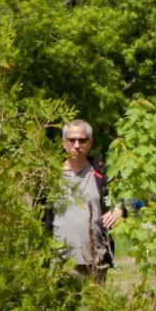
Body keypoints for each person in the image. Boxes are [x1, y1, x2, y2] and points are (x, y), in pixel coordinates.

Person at [49, 119, 127, 284]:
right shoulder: (50, 175)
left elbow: (138, 201)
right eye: (72, 140)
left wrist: (121, 209)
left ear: (90, 143)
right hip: (58, 262)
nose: (77, 145)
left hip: (95, 261)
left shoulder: (102, 173)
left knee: (92, 310)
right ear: (64, 143)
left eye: (82, 140)